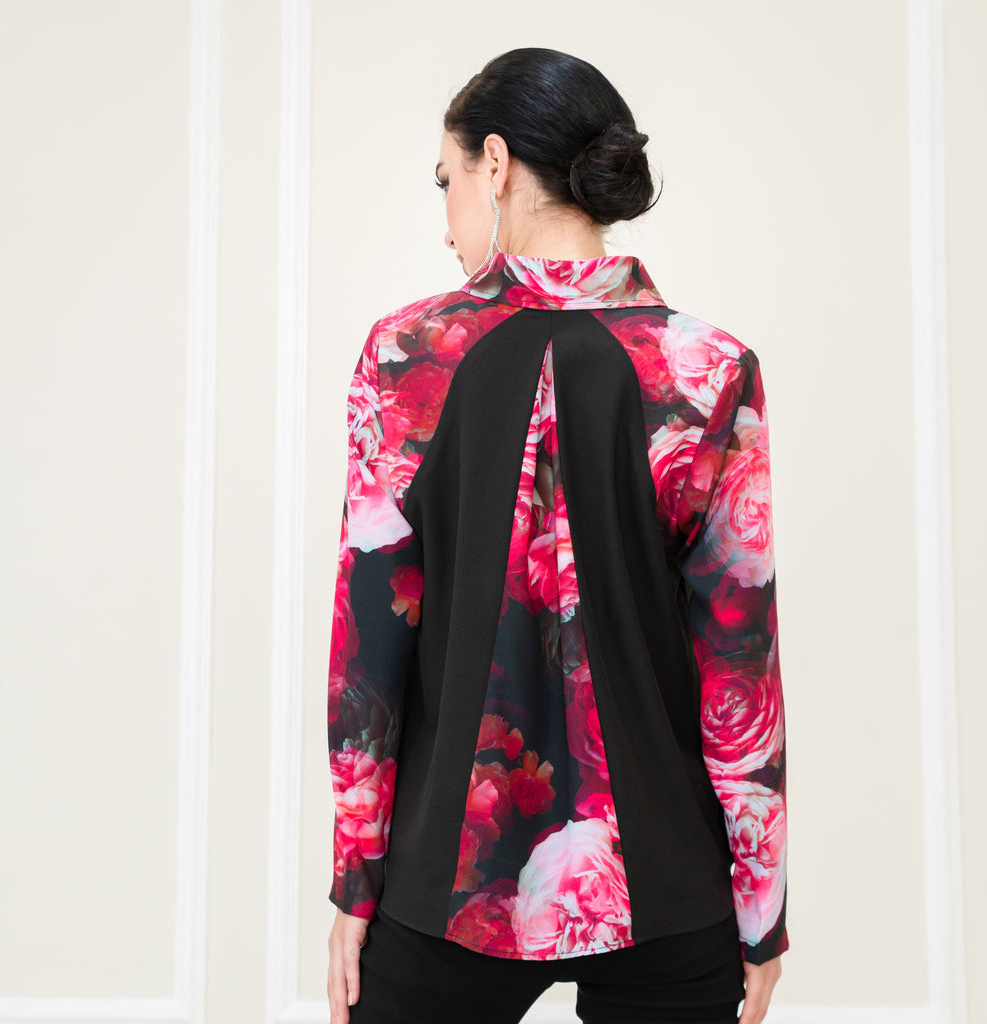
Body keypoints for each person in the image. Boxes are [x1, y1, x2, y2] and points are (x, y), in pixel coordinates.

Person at [325, 47, 788, 1024]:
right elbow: (740, 665)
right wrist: (761, 910)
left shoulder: (406, 357)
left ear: (494, 165)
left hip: (444, 885)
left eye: (447, 180)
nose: (445, 216)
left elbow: (368, 653)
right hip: (672, 887)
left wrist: (354, 885)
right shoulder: (708, 369)